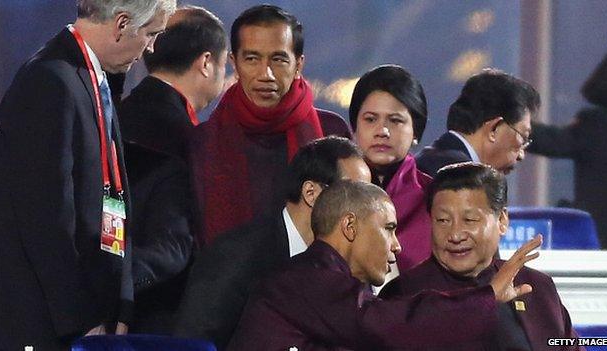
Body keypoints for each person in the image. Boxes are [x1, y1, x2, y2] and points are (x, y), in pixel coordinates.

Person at [0, 1, 175, 349]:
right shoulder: (49, 80)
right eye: (151, 33)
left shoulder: (92, 78)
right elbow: (46, 220)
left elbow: (113, 197)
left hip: (94, 311)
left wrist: (120, 305)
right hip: (47, 325)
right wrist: (82, 321)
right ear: (122, 24)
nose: (151, 47)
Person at [227, 180, 542, 350]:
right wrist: (486, 296)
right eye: (389, 228)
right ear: (350, 227)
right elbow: (393, 324)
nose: (397, 245)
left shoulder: (331, 287)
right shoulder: (304, 280)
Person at [175, 136, 370, 350]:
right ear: (311, 193)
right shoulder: (237, 256)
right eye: (354, 196)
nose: (363, 212)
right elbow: (193, 341)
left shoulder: (346, 266)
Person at [189, 4, 352, 245]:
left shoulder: (331, 132)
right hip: (226, 278)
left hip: (315, 277)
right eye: (252, 59)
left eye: (278, 59)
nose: (266, 73)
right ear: (234, 63)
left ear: (299, 64)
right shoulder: (203, 141)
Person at [381, 162, 580, 350]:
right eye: (443, 220)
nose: (455, 235)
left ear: (502, 220)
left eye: (470, 220)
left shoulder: (536, 286)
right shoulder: (404, 294)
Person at [117, 6, 227, 333]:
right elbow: (172, 245)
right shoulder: (186, 137)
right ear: (207, 62)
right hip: (152, 317)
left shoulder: (116, 115)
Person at [528, 43, 607, 249]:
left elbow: (550, 141)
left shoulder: (596, 126)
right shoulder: (597, 126)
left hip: (599, 247)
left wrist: (507, 119)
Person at [349, 64, 432, 270]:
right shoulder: (332, 193)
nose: (382, 131)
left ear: (416, 132)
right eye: (370, 119)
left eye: (395, 121)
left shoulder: (435, 200)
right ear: (354, 127)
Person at [416, 69, 540, 176]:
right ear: (494, 128)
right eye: (523, 137)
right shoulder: (461, 177)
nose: (521, 155)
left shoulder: (429, 160)